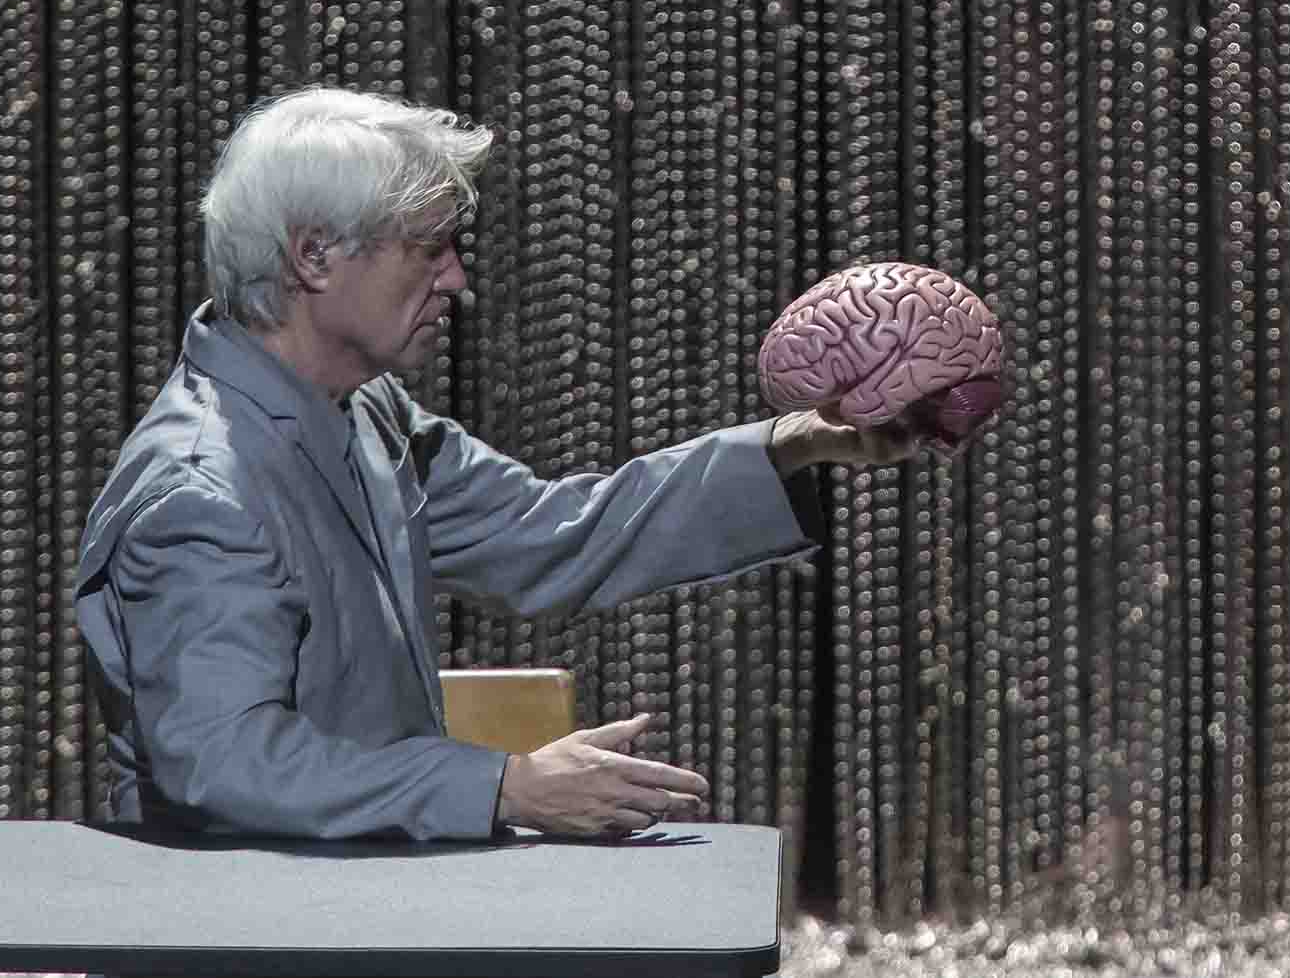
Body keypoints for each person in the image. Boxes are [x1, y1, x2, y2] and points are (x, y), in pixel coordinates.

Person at [72, 85, 916, 843]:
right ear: (313, 256)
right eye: (428, 247)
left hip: (364, 909)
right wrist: (508, 786)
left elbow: (551, 531)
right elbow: (228, 765)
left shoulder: (367, 412)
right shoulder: (201, 491)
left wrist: (801, 439)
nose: (456, 279)